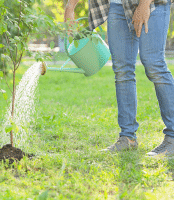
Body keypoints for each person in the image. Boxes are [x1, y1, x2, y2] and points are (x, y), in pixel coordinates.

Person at [65, 0, 174, 156]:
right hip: (118, 5)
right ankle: (127, 137)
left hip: (152, 3)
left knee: (154, 64)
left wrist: (144, 5)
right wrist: (70, 6)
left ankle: (173, 137)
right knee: (122, 71)